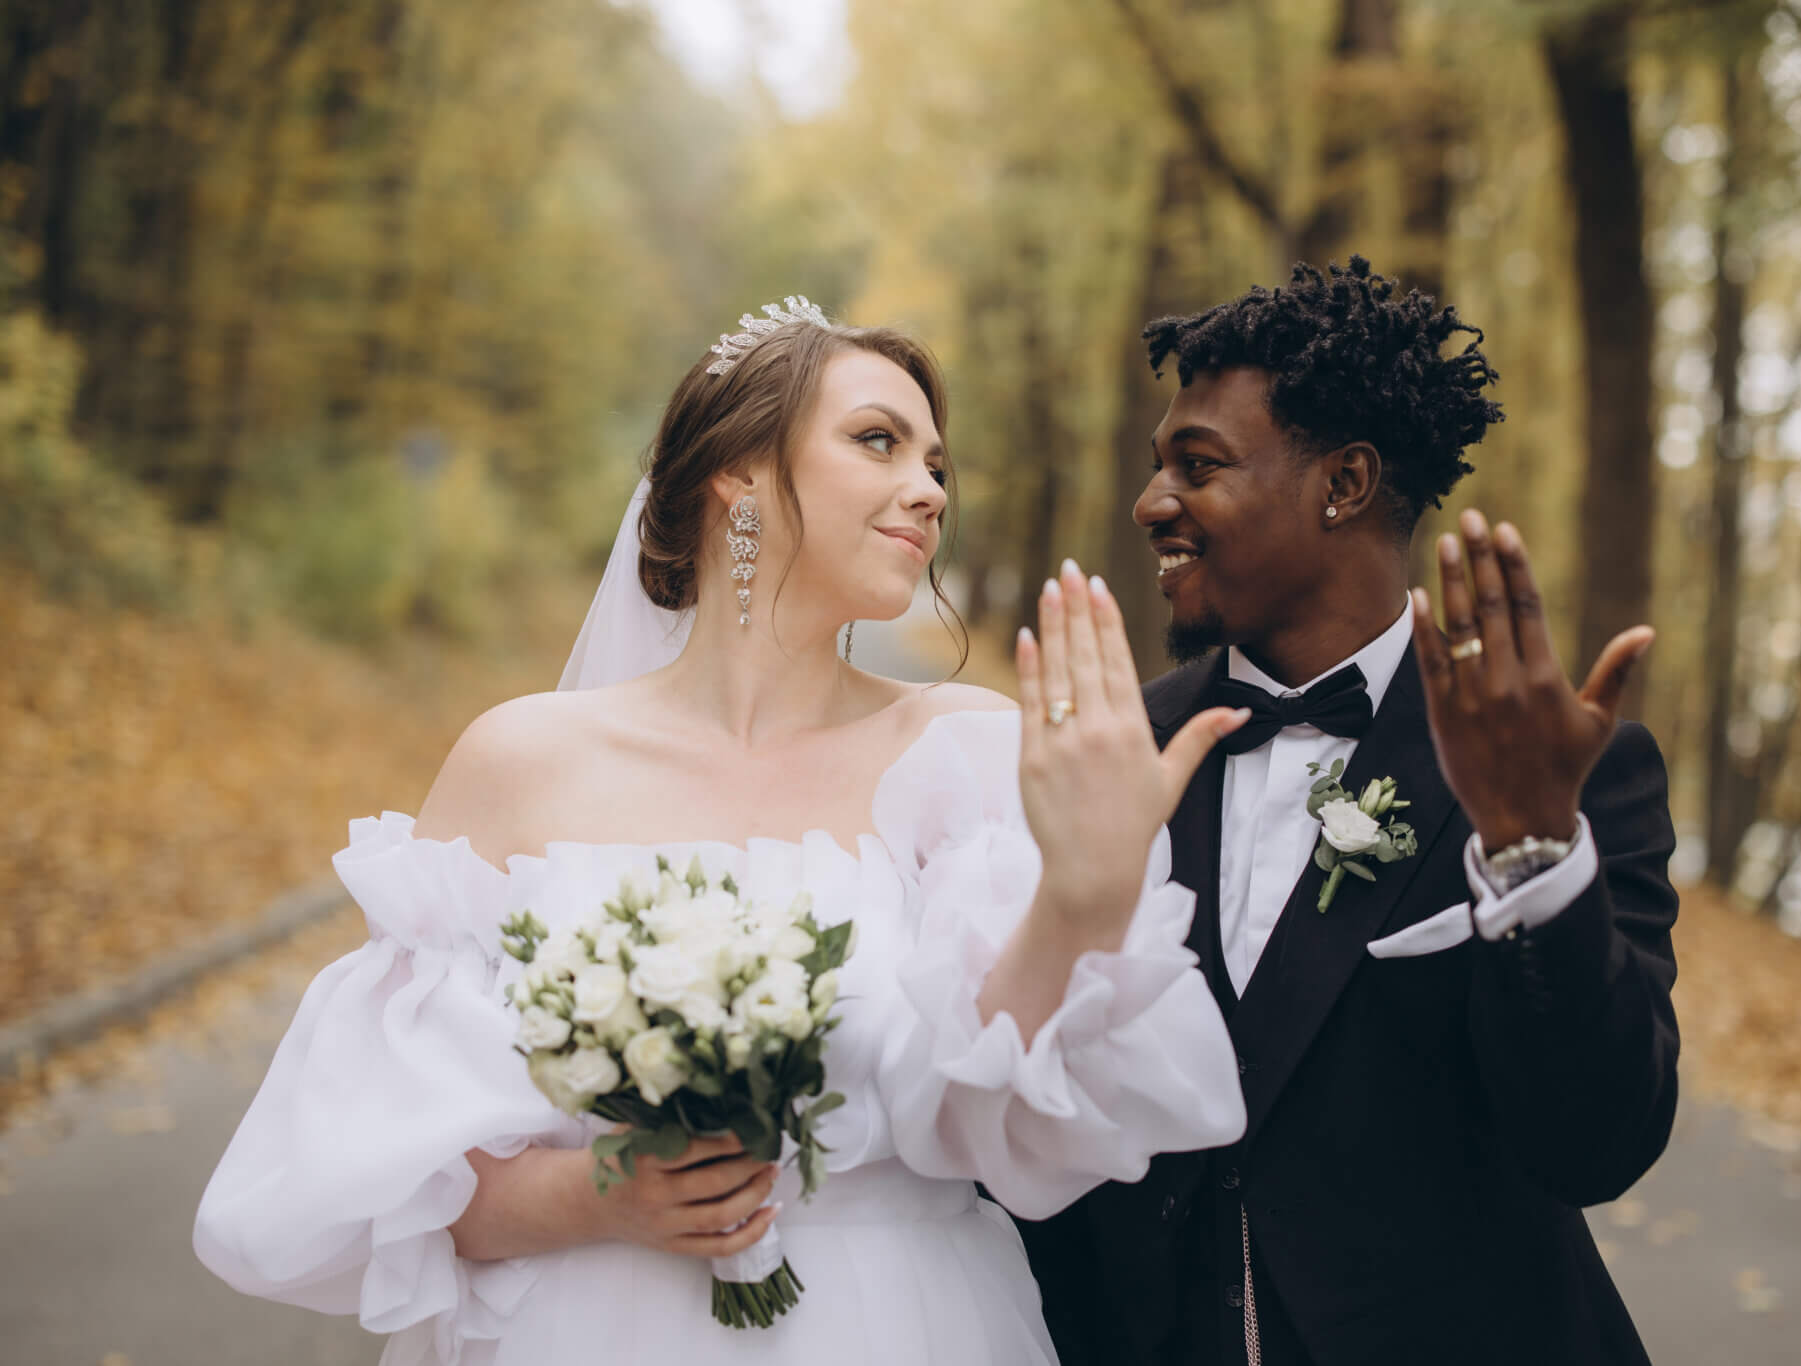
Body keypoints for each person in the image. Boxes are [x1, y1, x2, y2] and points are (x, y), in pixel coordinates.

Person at [192, 299, 1254, 1366]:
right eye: (878, 440)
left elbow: (997, 1130)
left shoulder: (966, 751)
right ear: (735, 474)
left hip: (895, 1326)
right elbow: (387, 1172)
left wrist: (1080, 899)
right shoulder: (519, 763)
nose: (928, 489)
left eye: (937, 463)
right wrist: (604, 1192)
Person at [1016, 259, 1681, 1366]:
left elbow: (1594, 1144)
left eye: (1197, 465)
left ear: (1344, 483)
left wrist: (1527, 849)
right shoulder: (1111, 750)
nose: (1151, 504)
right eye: (1154, 468)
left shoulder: (1562, 773)